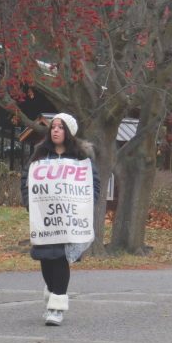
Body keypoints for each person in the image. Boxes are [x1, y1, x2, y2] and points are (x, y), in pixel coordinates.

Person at [21, 113, 100, 326]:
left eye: (60, 127)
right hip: (45, 220)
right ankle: (52, 288)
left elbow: (93, 185)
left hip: (69, 221)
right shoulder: (40, 155)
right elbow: (26, 180)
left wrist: (84, 208)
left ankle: (56, 307)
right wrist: (31, 204)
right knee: (46, 260)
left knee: (60, 259)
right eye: (53, 126)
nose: (55, 130)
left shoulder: (81, 159)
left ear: (69, 132)